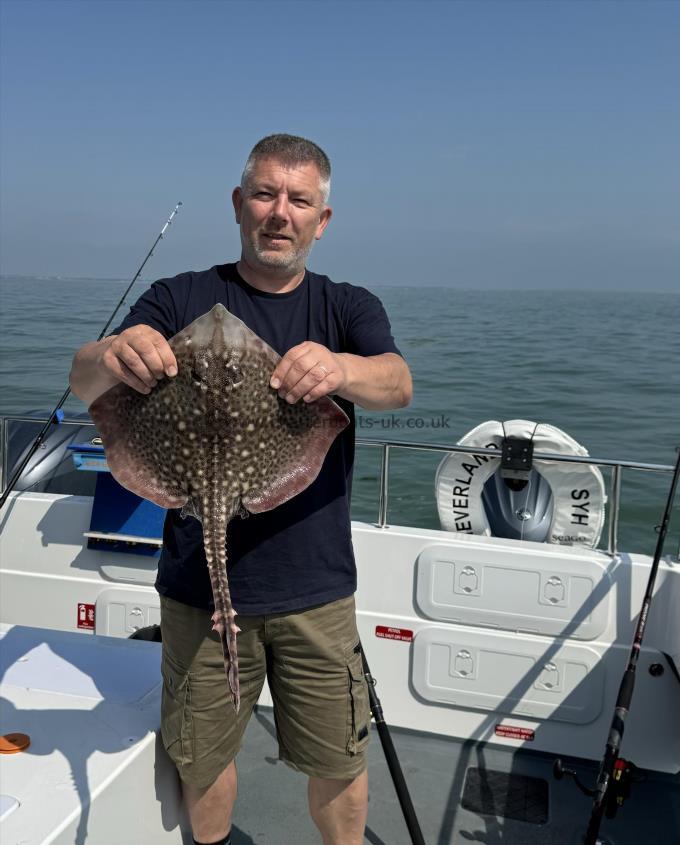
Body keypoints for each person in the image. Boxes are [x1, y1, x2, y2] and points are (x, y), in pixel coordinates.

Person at [69, 134, 412, 845]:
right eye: (265, 194)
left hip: (315, 588)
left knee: (340, 761)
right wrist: (113, 353)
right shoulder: (178, 296)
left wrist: (340, 370)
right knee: (204, 755)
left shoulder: (346, 305)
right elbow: (83, 379)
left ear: (322, 219)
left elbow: (398, 383)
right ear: (238, 204)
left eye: (299, 200)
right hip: (198, 587)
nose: (279, 212)